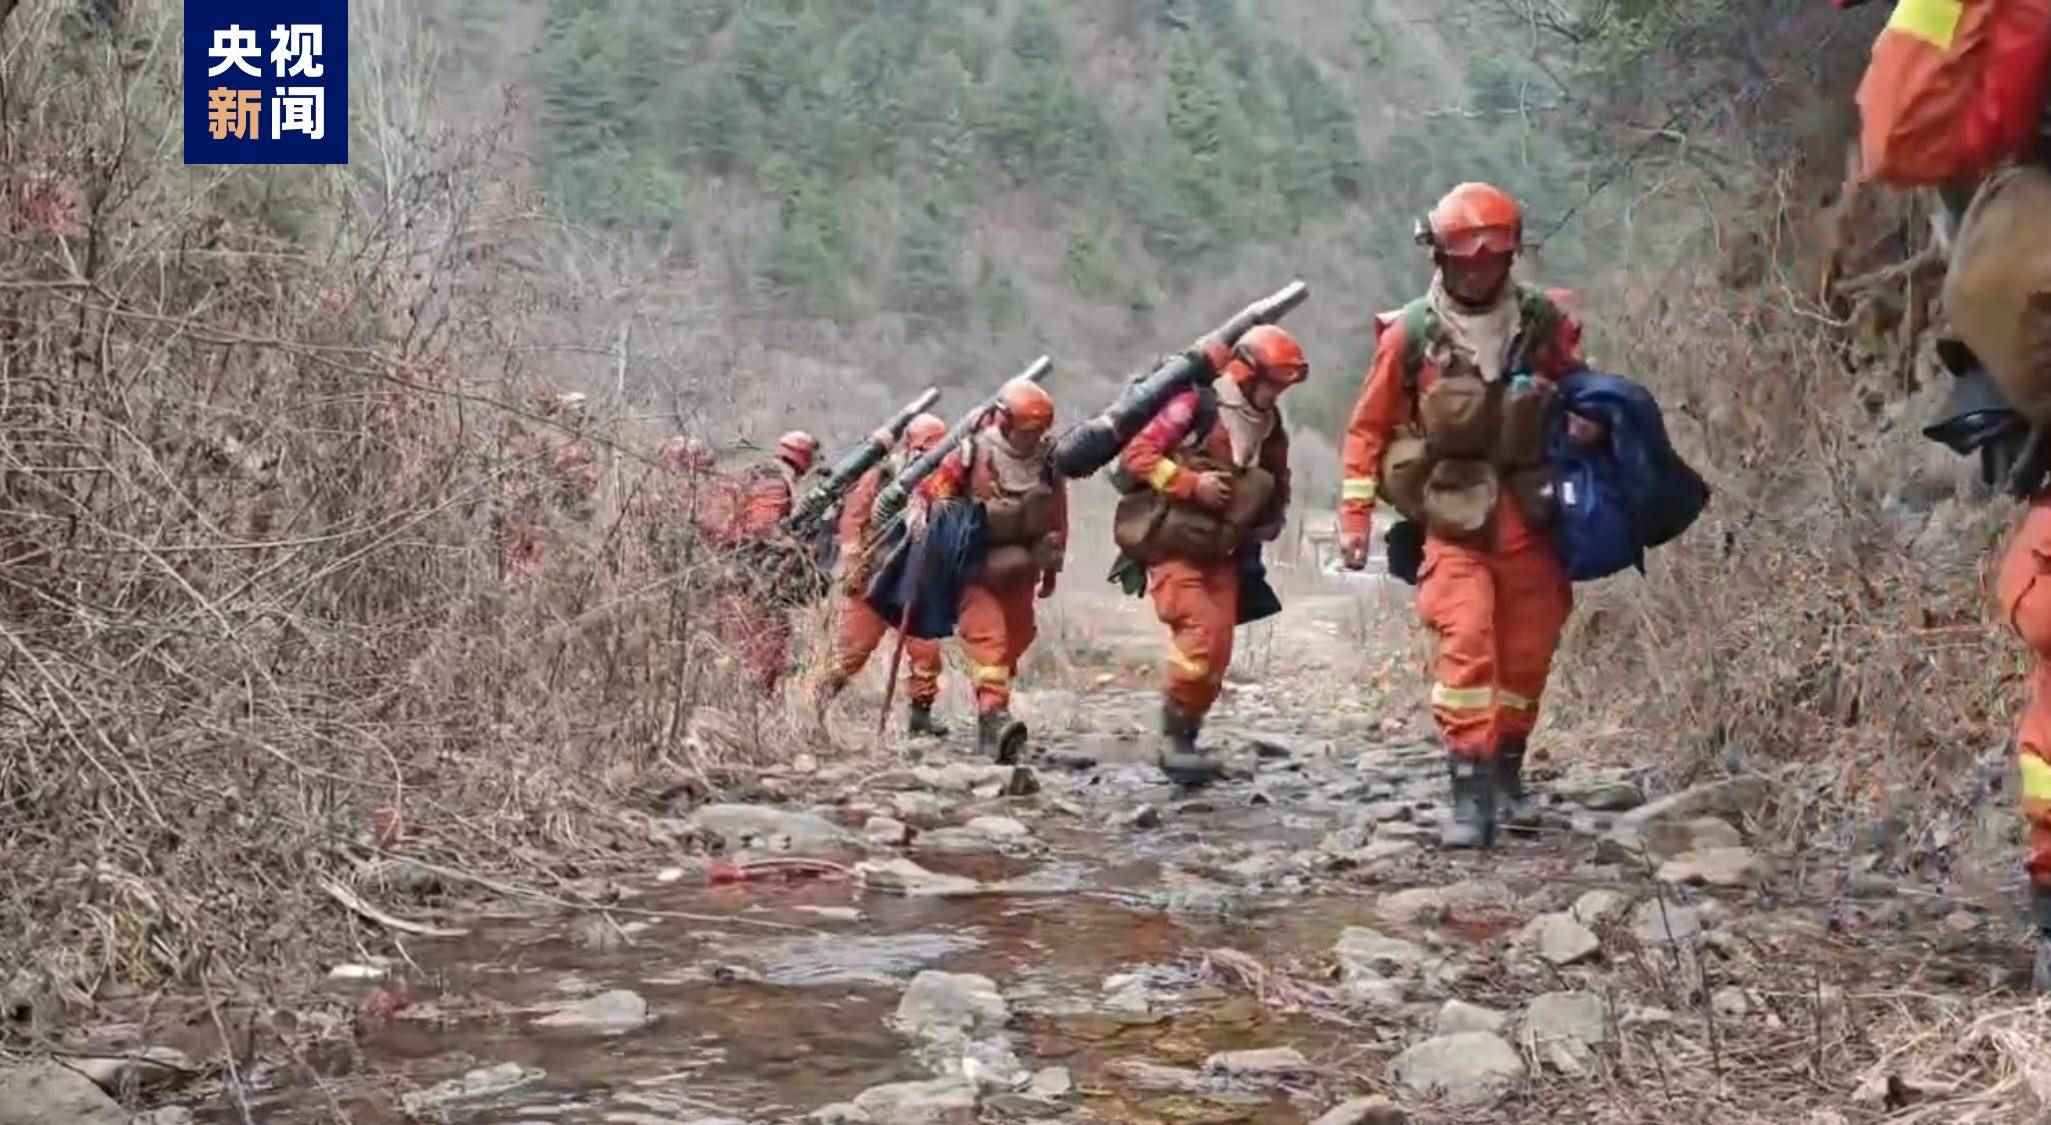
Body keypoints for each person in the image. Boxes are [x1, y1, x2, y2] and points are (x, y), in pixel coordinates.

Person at [1338, 181, 1603, 848]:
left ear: (1511, 256)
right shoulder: (1411, 335)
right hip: (1452, 515)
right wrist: (1354, 518)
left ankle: (1508, 771)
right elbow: (1367, 429)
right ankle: (1469, 791)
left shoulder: (1540, 322)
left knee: (1528, 651)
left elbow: (1580, 387)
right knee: (1467, 641)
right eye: (1466, 260)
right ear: (1441, 258)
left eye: (1493, 259)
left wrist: (1589, 426)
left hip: (1528, 513)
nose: (1480, 271)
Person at [1117, 325, 1306, 785]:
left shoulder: (1268, 423)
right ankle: (1172, 742)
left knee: (1218, 651)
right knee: (1198, 636)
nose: (1277, 394)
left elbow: (1277, 476)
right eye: (1273, 383)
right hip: (1174, 545)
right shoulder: (1194, 405)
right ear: (1247, 373)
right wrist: (1190, 484)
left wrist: (1271, 518)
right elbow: (1136, 457)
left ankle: (1187, 736)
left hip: (1224, 551)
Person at [921, 378, 1068, 763]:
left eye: (1038, 431)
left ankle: (994, 716)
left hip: (1023, 569)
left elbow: (1056, 513)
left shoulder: (1048, 461)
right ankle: (993, 718)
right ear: (1005, 421)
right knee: (990, 640)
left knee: (1016, 638)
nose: (1032, 438)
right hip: (977, 569)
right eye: (1026, 430)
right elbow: (935, 498)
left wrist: (1052, 566)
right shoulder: (971, 453)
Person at [816, 414, 952, 736]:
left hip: (915, 580)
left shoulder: (946, 482)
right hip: (874, 579)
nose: (928, 459)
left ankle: (920, 717)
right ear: (910, 447)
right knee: (851, 653)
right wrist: (854, 565)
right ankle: (815, 709)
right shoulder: (880, 476)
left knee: (927, 655)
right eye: (924, 451)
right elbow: (852, 521)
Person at [697, 430, 819, 693]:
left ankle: (743, 696)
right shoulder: (775, 484)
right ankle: (754, 699)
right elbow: (763, 528)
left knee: (743, 643)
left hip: (732, 571)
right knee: (764, 644)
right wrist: (794, 546)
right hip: (751, 577)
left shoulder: (755, 474)